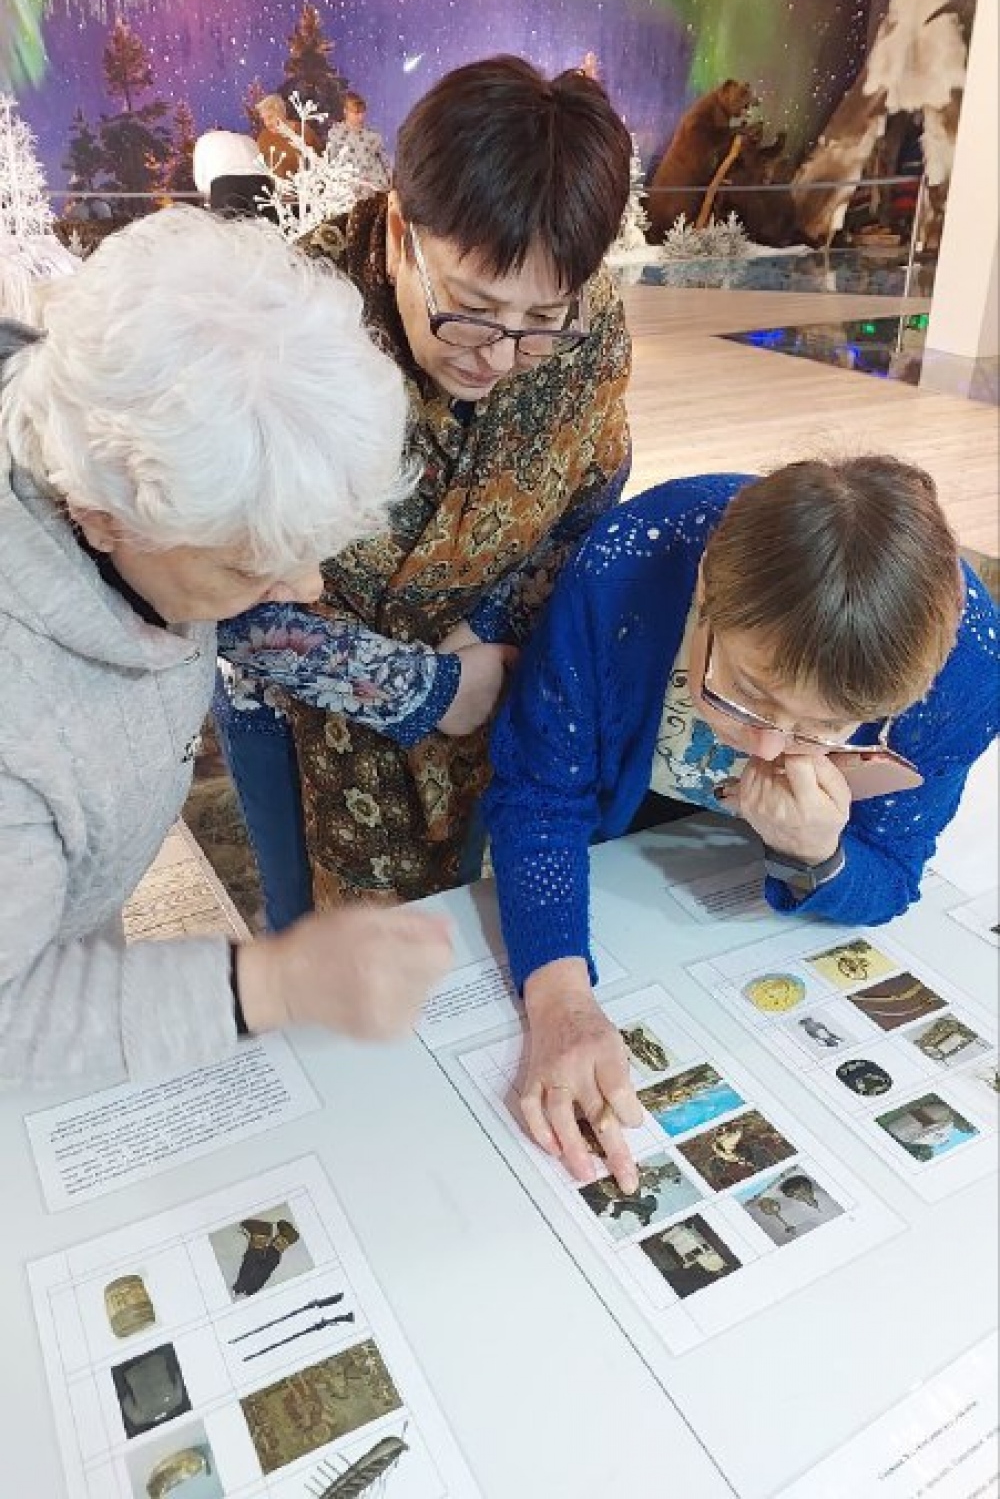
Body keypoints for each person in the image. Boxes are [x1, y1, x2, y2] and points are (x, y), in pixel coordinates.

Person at [0, 206, 452, 1085]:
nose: (308, 589)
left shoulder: (104, 434)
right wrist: (268, 985)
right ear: (101, 515)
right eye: (251, 564)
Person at [483, 457, 998, 1192]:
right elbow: (541, 793)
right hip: (629, 831)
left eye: (828, 725)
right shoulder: (633, 559)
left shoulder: (968, 672)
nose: (769, 748)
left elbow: (891, 870)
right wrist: (560, 998)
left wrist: (816, 851)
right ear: (705, 594)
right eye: (749, 692)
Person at [214, 54, 633, 925]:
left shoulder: (587, 324)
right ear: (402, 227)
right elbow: (208, 587)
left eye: (540, 321)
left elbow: (592, 495)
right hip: (304, 706)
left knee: (456, 918)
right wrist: (425, 689)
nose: (501, 355)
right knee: (312, 938)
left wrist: (494, 624)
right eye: (471, 307)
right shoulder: (282, 328)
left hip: (486, 677)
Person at [323, 91, 392, 206]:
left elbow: (385, 161)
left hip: (372, 189)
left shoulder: (373, 136)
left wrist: (390, 182)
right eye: (356, 113)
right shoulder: (336, 134)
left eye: (362, 113)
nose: (360, 117)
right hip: (346, 190)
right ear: (345, 111)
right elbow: (330, 161)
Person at [255, 93, 322, 181]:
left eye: (270, 117)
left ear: (281, 113)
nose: (267, 123)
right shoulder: (263, 138)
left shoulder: (302, 130)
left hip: (309, 182)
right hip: (281, 186)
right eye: (263, 119)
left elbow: (319, 155)